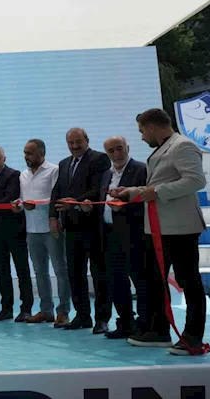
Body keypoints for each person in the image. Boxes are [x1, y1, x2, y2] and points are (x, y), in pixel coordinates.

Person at [115, 108, 207, 355]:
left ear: (152, 127)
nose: (142, 137)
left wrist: (155, 192)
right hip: (159, 228)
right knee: (154, 280)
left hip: (181, 228)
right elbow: (159, 184)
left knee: (189, 282)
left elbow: (196, 180)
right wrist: (132, 192)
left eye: (142, 131)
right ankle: (159, 330)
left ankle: (193, 337)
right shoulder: (164, 148)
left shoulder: (182, 145)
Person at [80, 137, 146, 339]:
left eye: (119, 148)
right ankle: (125, 322)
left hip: (134, 234)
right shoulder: (106, 174)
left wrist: (124, 207)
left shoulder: (141, 170)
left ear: (127, 147)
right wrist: (89, 208)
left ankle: (145, 325)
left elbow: (146, 202)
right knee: (116, 281)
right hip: (109, 234)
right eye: (111, 150)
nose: (116, 154)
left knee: (140, 281)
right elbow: (103, 202)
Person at [51, 128, 111, 333]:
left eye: (78, 142)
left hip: (93, 225)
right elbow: (57, 191)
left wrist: (74, 202)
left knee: (99, 273)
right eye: (71, 143)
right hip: (70, 226)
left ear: (87, 140)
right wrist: (53, 216)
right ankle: (82, 316)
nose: (75, 146)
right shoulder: (64, 163)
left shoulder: (100, 159)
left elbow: (98, 189)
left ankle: (102, 319)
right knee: (75, 274)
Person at [13, 139, 71, 328]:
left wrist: (35, 205)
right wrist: (18, 205)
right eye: (25, 153)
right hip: (31, 229)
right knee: (40, 272)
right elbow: (23, 199)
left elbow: (56, 198)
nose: (26, 157)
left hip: (51, 228)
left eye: (30, 153)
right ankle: (46, 311)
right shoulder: (23, 175)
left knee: (60, 270)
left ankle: (63, 312)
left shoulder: (54, 170)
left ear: (41, 153)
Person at [0, 146, 33, 322]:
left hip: (14, 230)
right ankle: (6, 308)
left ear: (4, 159)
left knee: (22, 270)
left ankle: (26, 309)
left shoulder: (13, 175)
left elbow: (10, 198)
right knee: (2, 271)